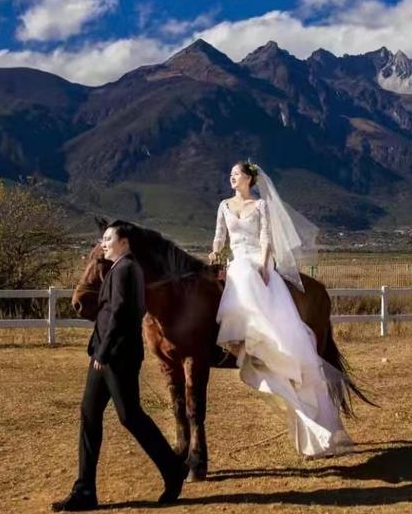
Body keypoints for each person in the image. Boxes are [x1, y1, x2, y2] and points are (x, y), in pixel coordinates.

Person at [210, 161, 353, 457]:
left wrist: (264, 264)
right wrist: (214, 252)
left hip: (256, 261)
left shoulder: (261, 206)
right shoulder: (224, 205)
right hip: (235, 260)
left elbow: (266, 238)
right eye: (231, 175)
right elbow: (220, 237)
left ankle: (262, 344)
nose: (232, 178)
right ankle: (242, 341)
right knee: (235, 275)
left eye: (237, 175)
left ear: (249, 179)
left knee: (247, 275)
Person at [52, 222, 186, 512]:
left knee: (130, 416)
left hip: (116, 355)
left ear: (125, 242)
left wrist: (103, 350)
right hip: (105, 353)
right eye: (103, 239)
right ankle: (84, 490)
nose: (104, 243)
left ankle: (174, 469)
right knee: (89, 414)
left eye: (109, 238)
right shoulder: (120, 268)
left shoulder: (126, 269)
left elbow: (123, 314)